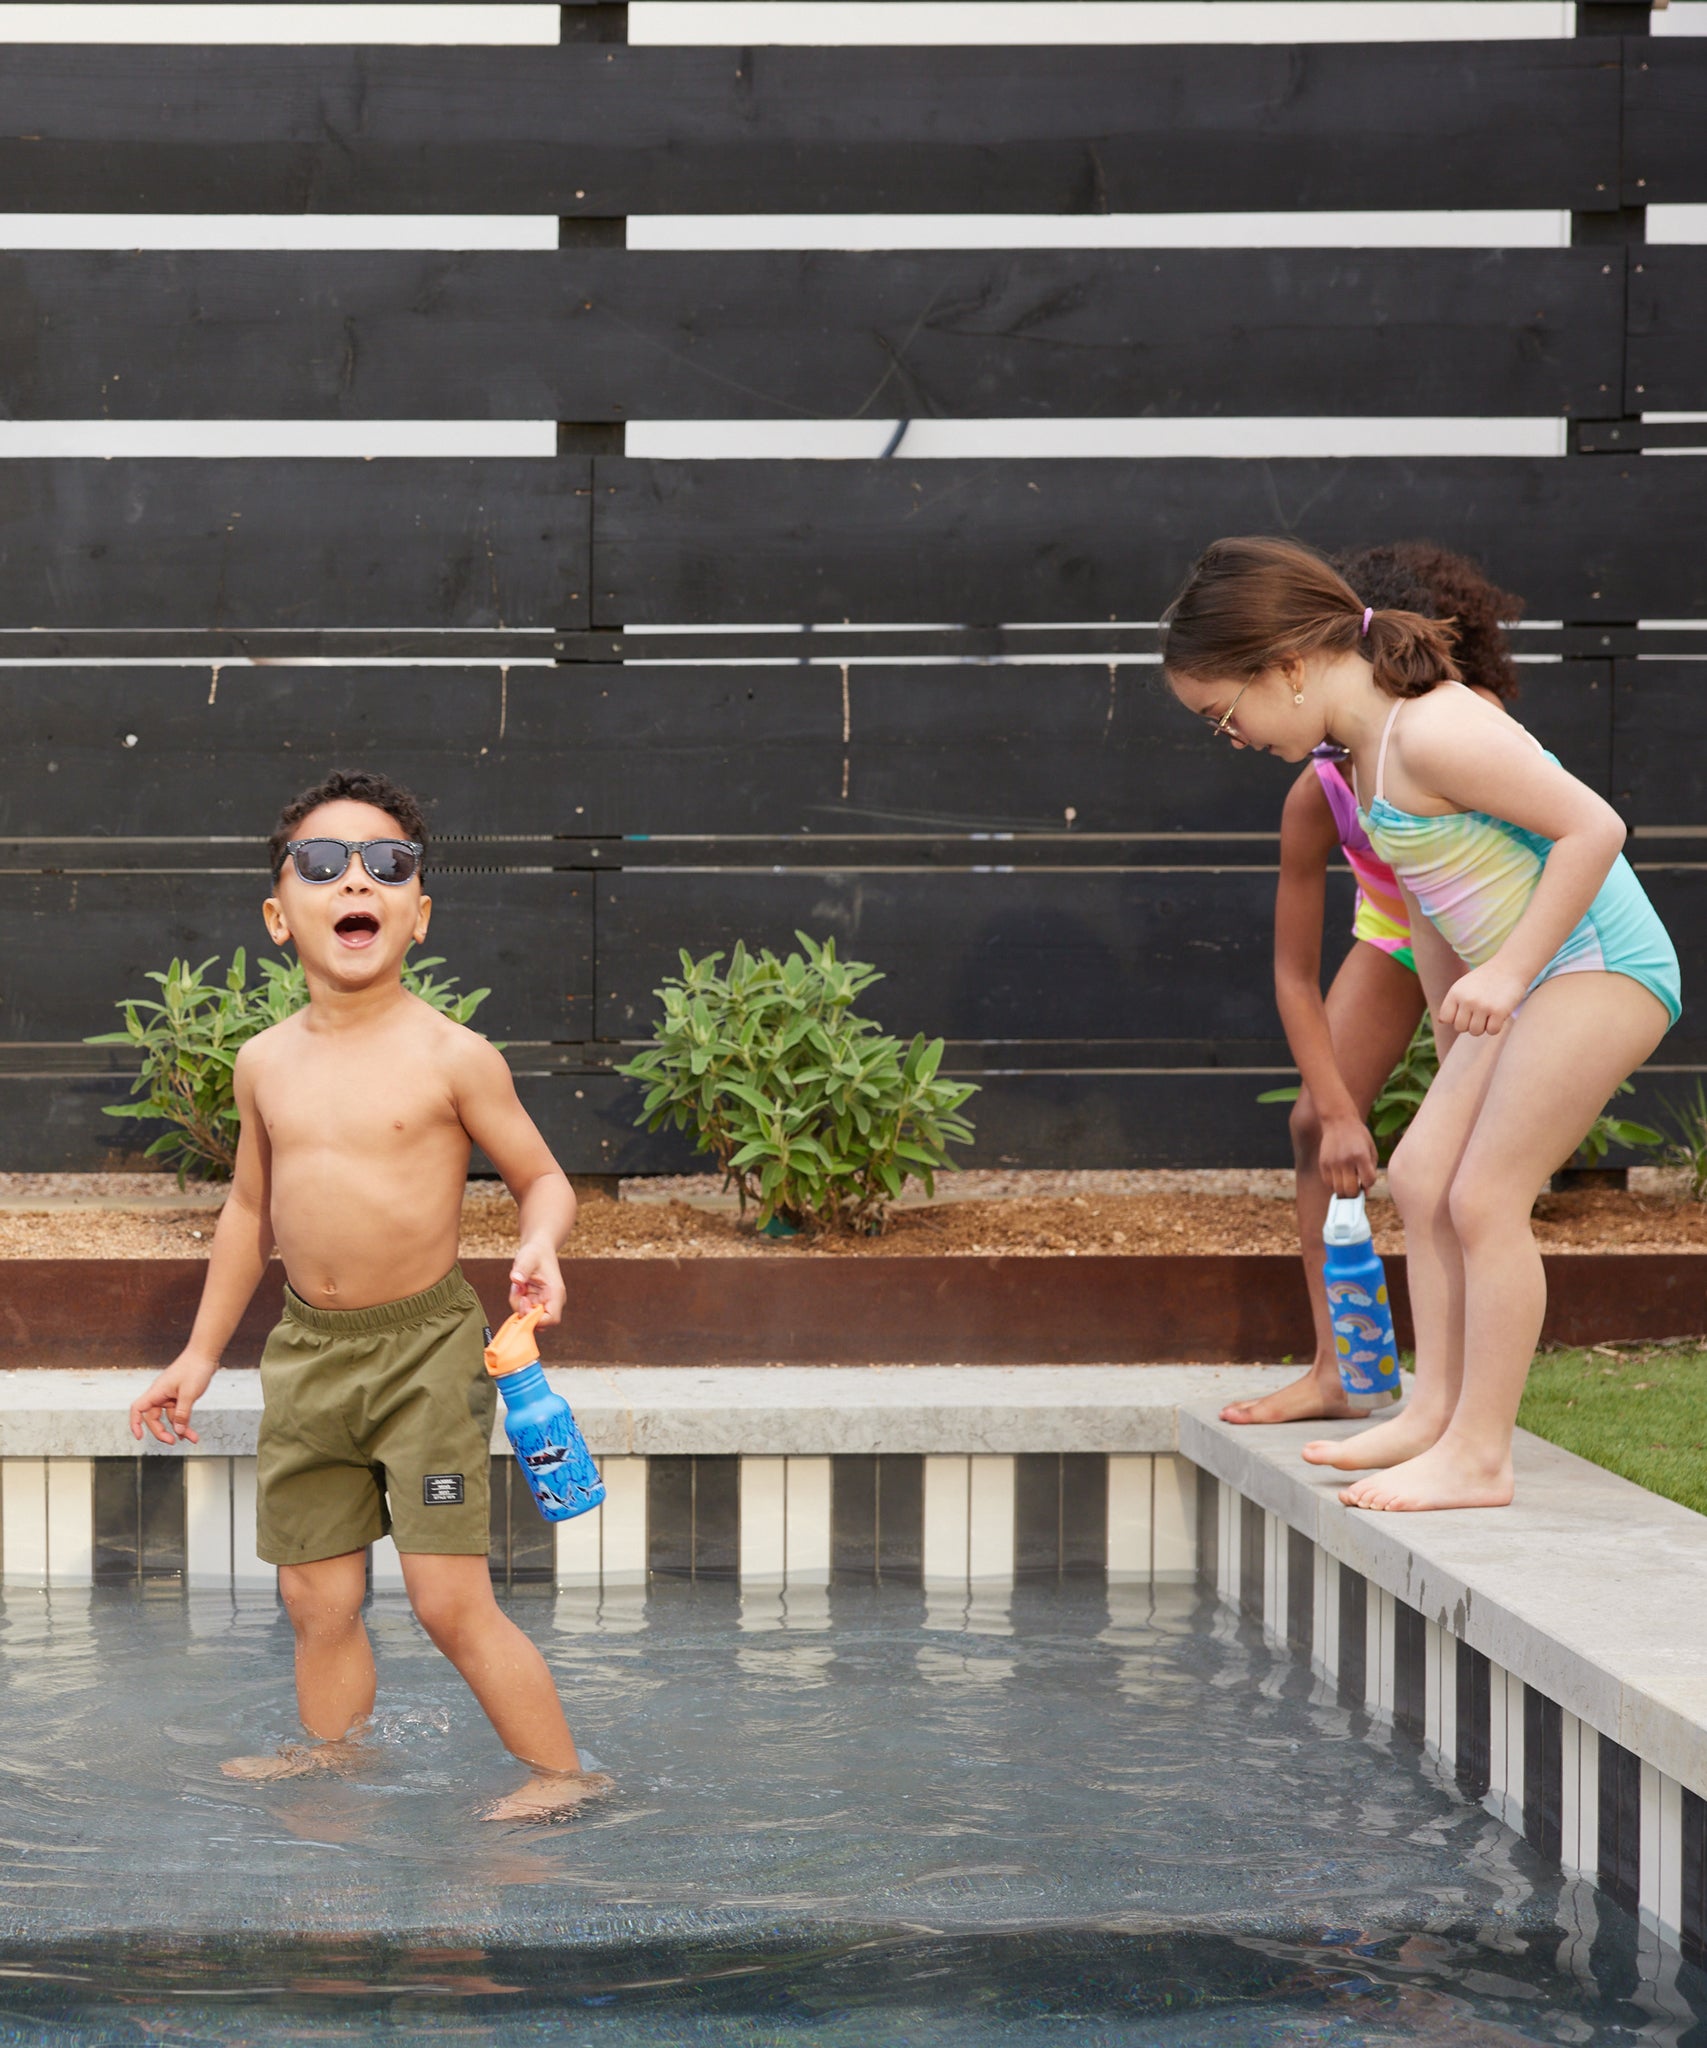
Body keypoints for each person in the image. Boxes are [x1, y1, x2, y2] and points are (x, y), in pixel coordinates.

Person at [129, 770, 607, 1820]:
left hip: (425, 1352)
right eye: (323, 862)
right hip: (309, 1351)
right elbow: (250, 1216)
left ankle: (564, 1774)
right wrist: (201, 1353)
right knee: (315, 1592)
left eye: (389, 865)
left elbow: (546, 1177)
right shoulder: (263, 1063)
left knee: (447, 1597)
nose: (359, 879)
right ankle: (334, 1756)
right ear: (278, 914)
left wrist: (541, 1241)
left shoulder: (454, 1056)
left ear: (418, 913)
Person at [1164, 538, 1679, 1511]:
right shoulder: (1363, 757)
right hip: (1529, 984)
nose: (1229, 735)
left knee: (1485, 1196)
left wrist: (1514, 969)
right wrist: (1462, 1046)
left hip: (1599, 965)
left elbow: (1595, 828)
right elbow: (1435, 905)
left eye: (1223, 714)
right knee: (1423, 1171)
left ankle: (1481, 1453)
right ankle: (1433, 1411)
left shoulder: (1436, 728)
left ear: (1288, 664)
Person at [1220, 543, 1525, 1428]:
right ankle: (1337, 1369)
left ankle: (1464, 1392)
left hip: (1499, 928)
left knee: (1470, 1168)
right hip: (1402, 932)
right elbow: (1292, 972)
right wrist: (1341, 1111)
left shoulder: (1459, 728)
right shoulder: (1321, 788)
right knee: (1316, 1121)